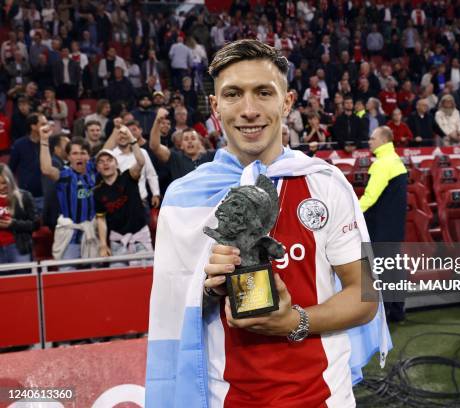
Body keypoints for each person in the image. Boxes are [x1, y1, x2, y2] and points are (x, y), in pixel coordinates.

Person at [145, 39, 388, 408]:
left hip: (324, 398)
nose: (248, 110)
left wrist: (295, 321)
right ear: (215, 107)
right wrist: (209, 290)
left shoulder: (325, 183)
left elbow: (365, 295)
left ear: (286, 102)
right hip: (224, 398)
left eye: (263, 92)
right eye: (232, 95)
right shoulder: (184, 198)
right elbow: (169, 311)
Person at [359, 126, 407, 322]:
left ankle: (385, 312)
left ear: (383, 140)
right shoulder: (397, 161)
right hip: (395, 227)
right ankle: (397, 310)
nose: (369, 141)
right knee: (394, 267)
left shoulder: (381, 164)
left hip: (381, 228)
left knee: (382, 270)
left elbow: (370, 197)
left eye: (372, 138)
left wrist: (353, 215)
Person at [40, 127, 98, 265]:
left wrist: (118, 129)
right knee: (67, 277)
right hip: (70, 235)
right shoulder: (65, 175)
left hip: (91, 233)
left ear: (88, 156)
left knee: (94, 278)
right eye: (75, 153)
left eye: (83, 153)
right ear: (68, 157)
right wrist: (43, 140)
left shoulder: (93, 169)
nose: (79, 157)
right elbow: (46, 169)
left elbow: (108, 148)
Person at [94, 132, 152, 267]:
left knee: (145, 278)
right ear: (97, 168)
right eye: (101, 162)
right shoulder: (97, 191)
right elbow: (101, 218)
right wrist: (103, 244)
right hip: (117, 241)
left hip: (139, 236)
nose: (105, 164)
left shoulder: (128, 176)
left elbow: (141, 161)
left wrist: (132, 140)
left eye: (109, 160)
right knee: (119, 279)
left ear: (116, 163)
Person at [149, 108, 215, 182]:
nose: (190, 141)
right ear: (181, 145)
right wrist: (157, 121)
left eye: (193, 138)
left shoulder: (211, 156)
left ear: (200, 143)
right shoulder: (175, 158)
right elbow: (155, 147)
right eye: (186, 139)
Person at [9, 113, 46, 216]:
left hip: (45, 195)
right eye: (43, 124)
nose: (46, 127)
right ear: (33, 126)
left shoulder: (49, 144)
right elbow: (10, 169)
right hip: (24, 196)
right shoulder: (19, 144)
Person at [0, 164, 37, 266]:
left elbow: (35, 224)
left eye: (4, 183)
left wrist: (13, 224)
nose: (1, 187)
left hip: (18, 248)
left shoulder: (24, 197)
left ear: (10, 180)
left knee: (23, 280)